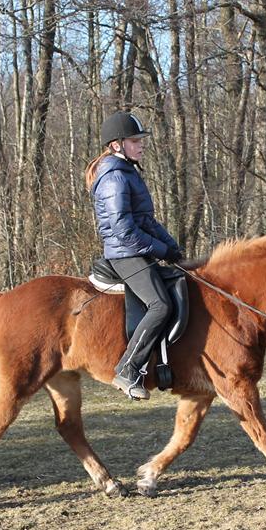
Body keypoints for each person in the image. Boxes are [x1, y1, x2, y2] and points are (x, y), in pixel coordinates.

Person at [84, 111, 183, 400]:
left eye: (141, 140)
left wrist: (172, 247)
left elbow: (147, 221)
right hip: (124, 253)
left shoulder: (127, 172)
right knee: (160, 305)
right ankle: (128, 369)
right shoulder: (114, 176)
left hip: (134, 248)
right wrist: (160, 249)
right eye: (135, 140)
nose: (142, 145)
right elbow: (124, 230)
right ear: (117, 145)